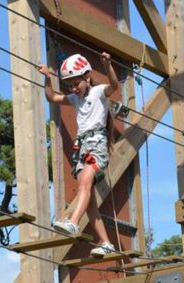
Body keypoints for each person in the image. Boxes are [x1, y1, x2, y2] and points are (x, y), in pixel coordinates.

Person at [37, 52, 119, 256]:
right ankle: (106, 243)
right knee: (89, 201)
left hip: (96, 146)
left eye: (76, 84)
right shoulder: (75, 99)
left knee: (84, 185)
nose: (74, 89)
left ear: (87, 77)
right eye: (70, 86)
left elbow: (114, 86)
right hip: (82, 149)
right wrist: (47, 78)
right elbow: (52, 97)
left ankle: (73, 223)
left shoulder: (99, 92)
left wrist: (108, 66)